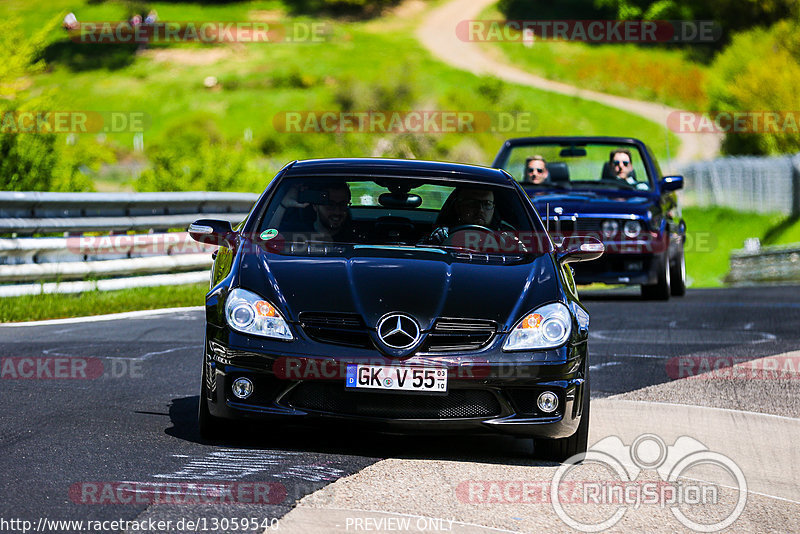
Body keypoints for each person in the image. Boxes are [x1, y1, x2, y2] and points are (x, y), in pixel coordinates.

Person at [273, 182, 358, 242]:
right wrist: (283, 205)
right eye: (330, 205)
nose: (337, 211)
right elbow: (266, 240)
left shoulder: (357, 235)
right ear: (315, 206)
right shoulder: (295, 233)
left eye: (342, 204)